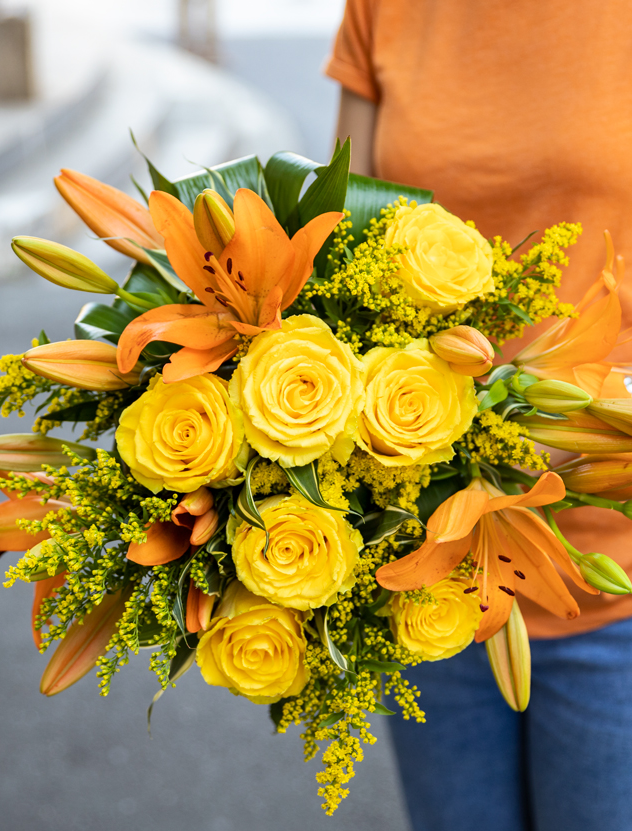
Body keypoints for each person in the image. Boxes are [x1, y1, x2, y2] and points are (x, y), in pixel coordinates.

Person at [325, 3, 632, 830]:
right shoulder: (383, 9)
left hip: (613, 577)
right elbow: (338, 262)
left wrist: (577, 426)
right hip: (421, 565)